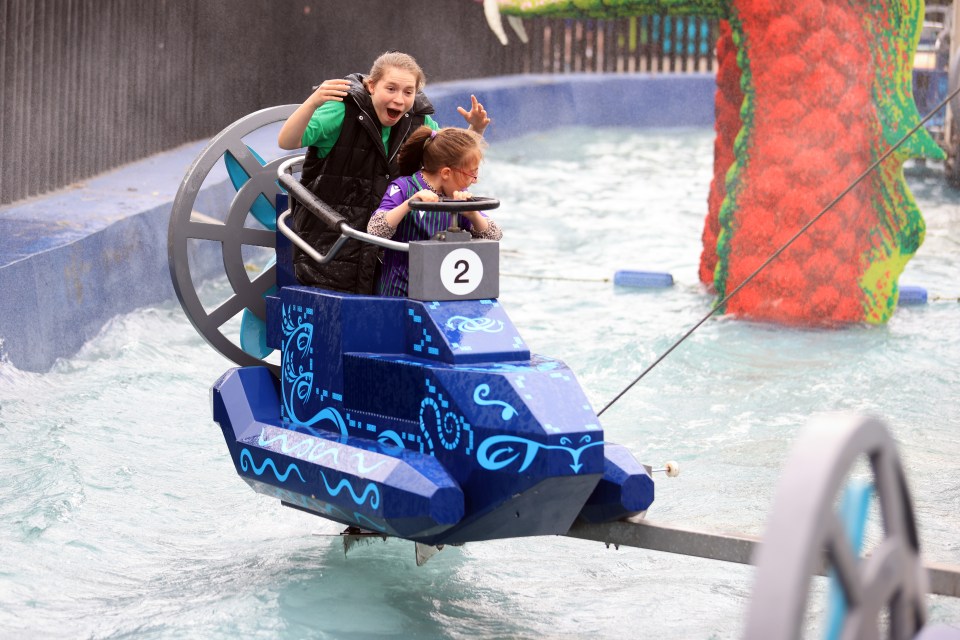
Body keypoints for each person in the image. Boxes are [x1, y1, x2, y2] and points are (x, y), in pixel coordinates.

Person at [277, 51, 490, 294]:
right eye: (390, 89)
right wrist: (313, 102)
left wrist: (475, 130)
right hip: (330, 246)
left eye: (408, 92)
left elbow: (450, 160)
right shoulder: (340, 111)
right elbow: (287, 141)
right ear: (371, 86)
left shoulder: (418, 124)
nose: (399, 100)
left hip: (384, 253)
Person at [367, 126, 503, 297]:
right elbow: (375, 230)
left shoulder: (459, 198)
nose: (473, 181)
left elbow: (495, 236)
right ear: (446, 173)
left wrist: (473, 214)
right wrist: (409, 204)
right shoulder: (402, 187)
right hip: (400, 292)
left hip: (443, 293)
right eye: (471, 174)